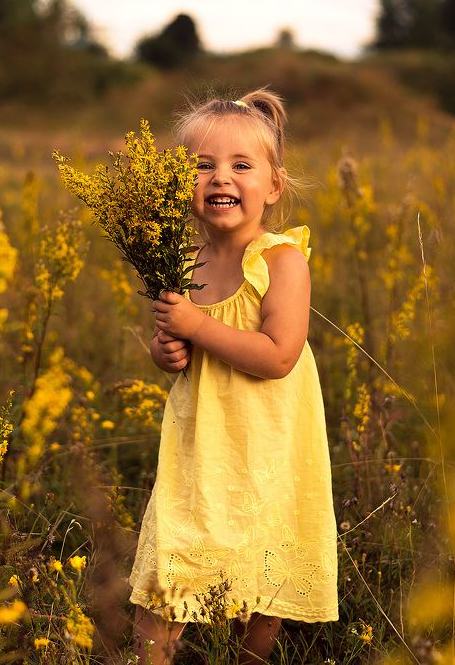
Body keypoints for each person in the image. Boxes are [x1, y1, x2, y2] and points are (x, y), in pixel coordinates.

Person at [128, 89, 339, 664]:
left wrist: (195, 325)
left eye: (242, 166)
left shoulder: (281, 261)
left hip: (267, 448)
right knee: (168, 575)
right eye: (203, 166)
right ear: (180, 184)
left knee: (261, 583)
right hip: (200, 450)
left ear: (274, 186)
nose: (221, 177)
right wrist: (166, 350)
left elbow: (278, 356)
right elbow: (177, 348)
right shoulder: (181, 262)